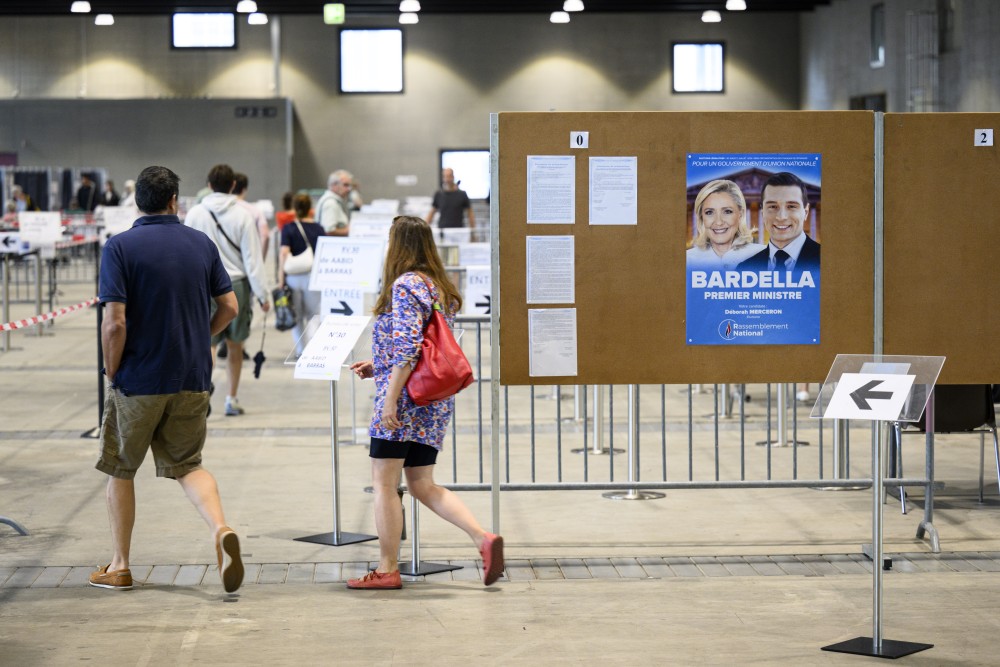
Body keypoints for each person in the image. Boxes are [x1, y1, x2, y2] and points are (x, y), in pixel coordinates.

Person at [91, 165, 244, 593]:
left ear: (137, 201)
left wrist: (112, 368)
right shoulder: (200, 244)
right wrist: (201, 337)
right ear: (175, 200)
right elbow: (229, 307)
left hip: (139, 377)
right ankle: (220, 529)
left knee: (121, 469)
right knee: (188, 465)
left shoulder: (119, 247)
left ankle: (120, 565)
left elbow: (114, 323)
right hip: (193, 374)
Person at [347, 215, 503, 590]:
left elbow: (409, 349)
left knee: (383, 483)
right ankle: (482, 537)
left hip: (404, 403)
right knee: (422, 484)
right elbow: (426, 346)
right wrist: (378, 365)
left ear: (397, 245)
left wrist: (389, 399)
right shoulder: (437, 287)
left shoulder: (403, 286)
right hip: (432, 402)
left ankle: (387, 569)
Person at [185, 164, 271, 417]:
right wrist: (263, 294)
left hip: (204, 284)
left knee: (207, 343)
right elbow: (252, 258)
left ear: (209, 185)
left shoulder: (195, 213)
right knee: (235, 345)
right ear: (233, 186)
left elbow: (189, 253)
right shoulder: (243, 215)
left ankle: (202, 393)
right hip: (236, 286)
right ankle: (231, 399)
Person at [739, 171, 820, 273]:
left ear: (806, 212)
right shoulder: (743, 269)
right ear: (763, 212)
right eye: (773, 206)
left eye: (791, 206)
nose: (781, 217)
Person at [279, 193, 324, 356]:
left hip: (293, 277)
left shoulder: (288, 228)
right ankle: (312, 348)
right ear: (310, 209)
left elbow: (283, 253)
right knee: (314, 315)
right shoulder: (319, 228)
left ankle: (300, 350)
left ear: (295, 209)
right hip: (313, 277)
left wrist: (280, 278)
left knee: (296, 315)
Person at [686, 179, 764, 270]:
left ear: (741, 214)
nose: (719, 222)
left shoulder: (765, 258)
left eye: (727, 211)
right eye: (709, 212)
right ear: (701, 217)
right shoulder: (687, 260)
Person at [232, 172, 271, 258]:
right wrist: (260, 260)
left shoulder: (223, 210)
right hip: (248, 259)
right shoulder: (254, 211)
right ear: (244, 189)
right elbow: (265, 236)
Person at [427, 168, 475, 236]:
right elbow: (431, 213)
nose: (447, 179)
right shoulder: (438, 194)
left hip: (458, 231)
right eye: (445, 176)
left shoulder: (462, 194)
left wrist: (473, 233)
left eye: (449, 176)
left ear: (453, 177)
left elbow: (470, 214)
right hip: (443, 231)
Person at [315, 169, 353, 236]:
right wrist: (351, 230)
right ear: (334, 185)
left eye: (349, 185)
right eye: (345, 185)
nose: (349, 189)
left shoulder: (333, 201)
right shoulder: (331, 203)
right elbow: (328, 231)